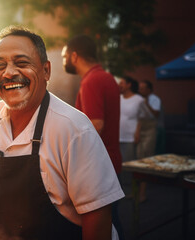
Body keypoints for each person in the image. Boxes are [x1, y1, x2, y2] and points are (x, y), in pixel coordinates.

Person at [0, 26, 124, 240]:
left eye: (21, 62)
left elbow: (98, 219)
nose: (8, 73)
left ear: (46, 71)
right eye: (0, 65)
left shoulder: (73, 128)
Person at [62, 35, 124, 239]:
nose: (63, 61)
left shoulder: (91, 80)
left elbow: (96, 125)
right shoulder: (105, 76)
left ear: (75, 56)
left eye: (64, 56)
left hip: (98, 166)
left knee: (105, 226)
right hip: (110, 161)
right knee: (112, 221)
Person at [137, 80, 162, 202]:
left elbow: (156, 114)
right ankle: (136, 191)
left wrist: (146, 104)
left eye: (143, 88)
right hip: (140, 128)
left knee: (146, 159)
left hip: (150, 130)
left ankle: (142, 193)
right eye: (139, 88)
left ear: (149, 89)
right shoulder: (137, 99)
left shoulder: (155, 99)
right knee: (137, 159)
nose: (140, 90)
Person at [119, 76, 145, 162]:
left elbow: (141, 118)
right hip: (118, 136)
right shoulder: (118, 98)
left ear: (129, 85)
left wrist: (137, 133)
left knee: (128, 162)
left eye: (122, 83)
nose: (119, 85)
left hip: (130, 137)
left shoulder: (139, 100)